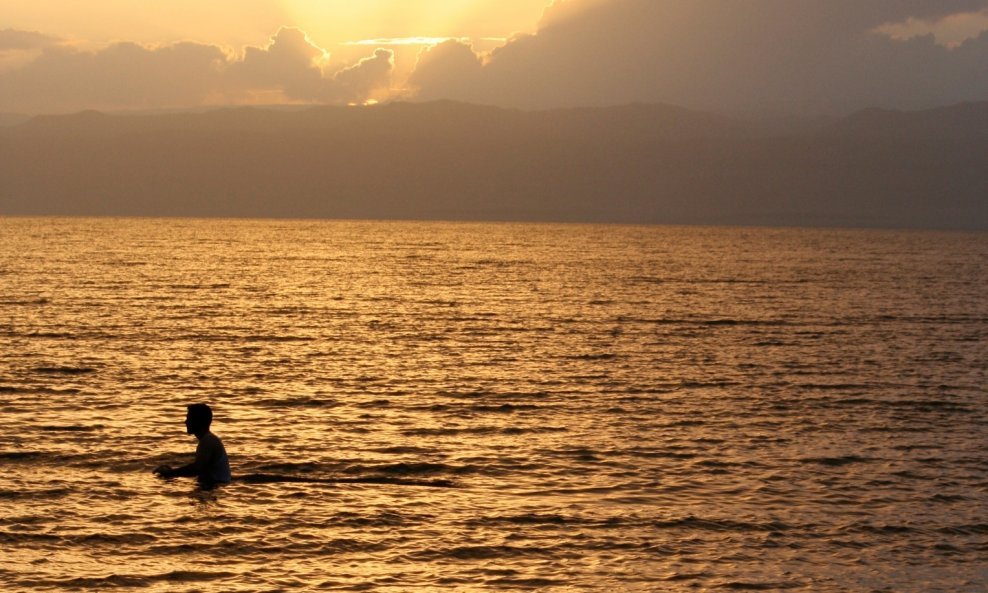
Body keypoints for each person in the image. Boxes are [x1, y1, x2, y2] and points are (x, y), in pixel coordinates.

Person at [154, 403, 231, 486]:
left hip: (215, 486)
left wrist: (170, 473)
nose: (185, 422)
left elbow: (197, 468)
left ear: (198, 421)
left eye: (188, 418)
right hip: (213, 486)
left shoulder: (208, 441)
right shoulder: (208, 440)